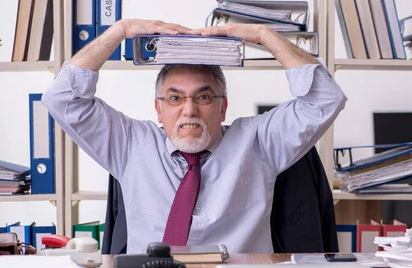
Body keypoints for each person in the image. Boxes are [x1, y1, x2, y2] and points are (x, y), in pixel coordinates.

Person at [42, 19, 347, 254]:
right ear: (158, 110)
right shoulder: (131, 145)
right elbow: (61, 98)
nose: (189, 110)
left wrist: (263, 36)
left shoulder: (258, 143)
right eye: (175, 99)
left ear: (223, 106)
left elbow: (326, 99)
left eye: (203, 97)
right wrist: (120, 31)